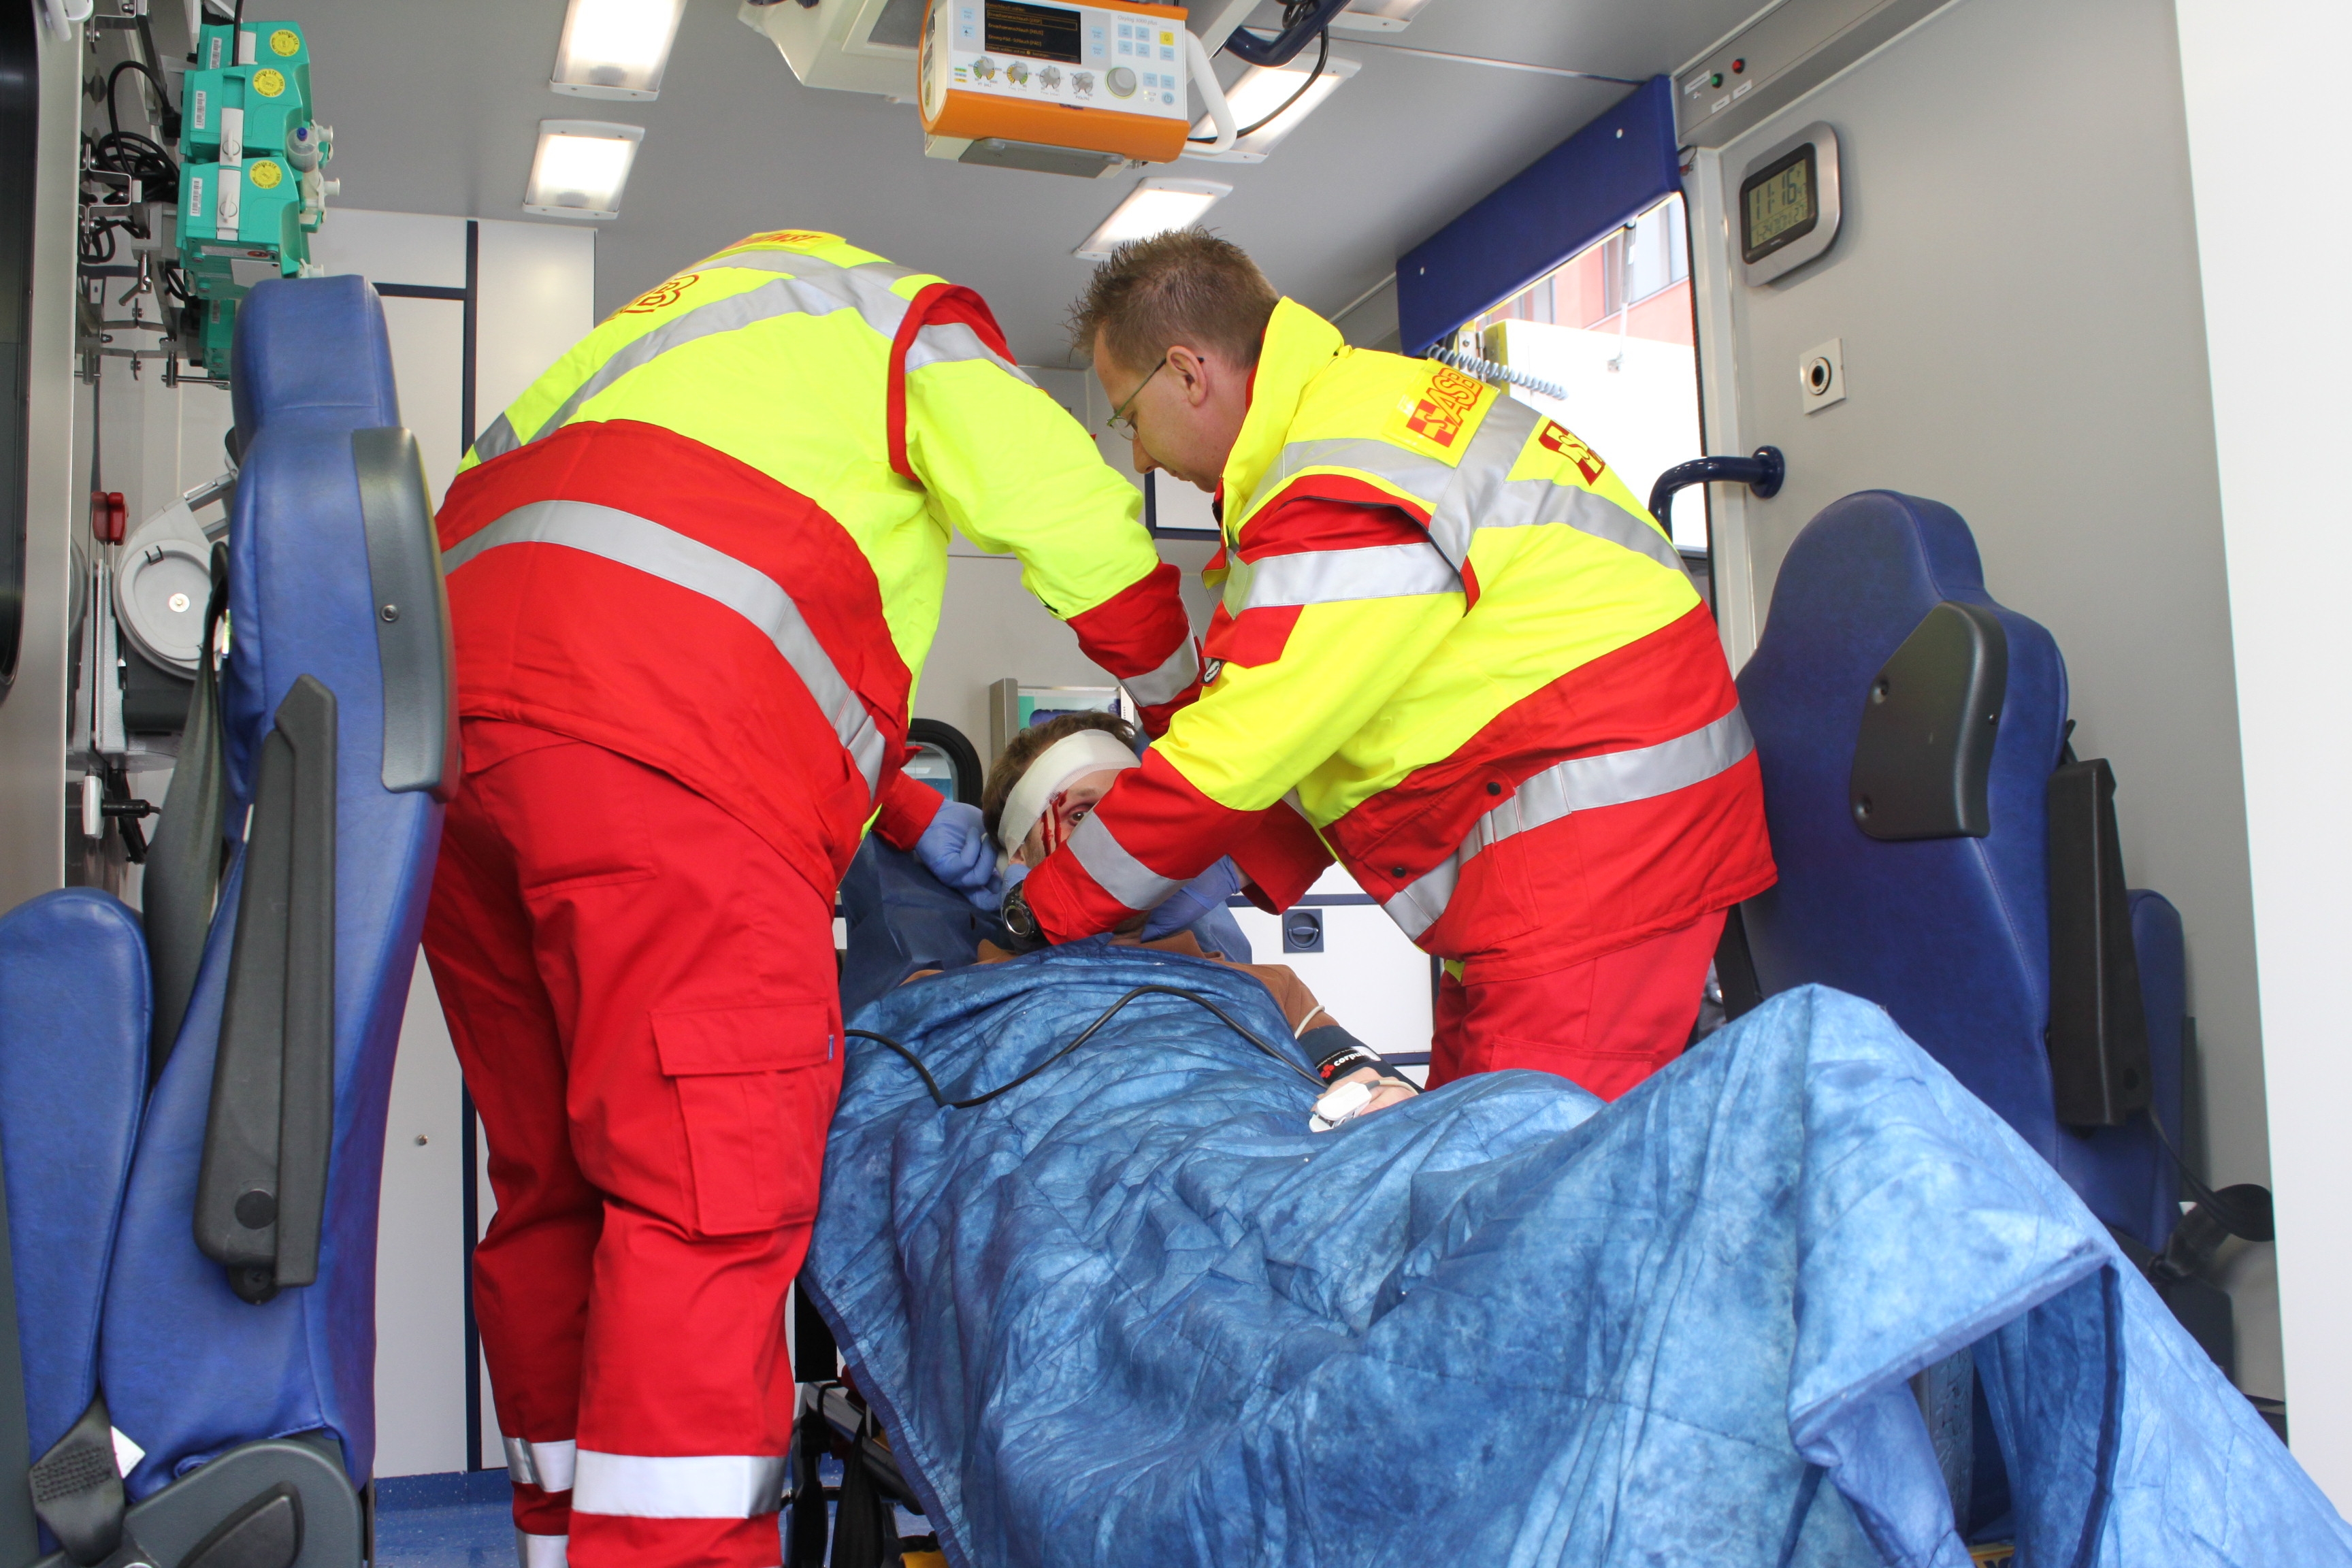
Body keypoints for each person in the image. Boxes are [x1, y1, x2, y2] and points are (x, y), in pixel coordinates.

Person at [421, 229, 1202, 1568]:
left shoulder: (621, 353)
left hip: (448, 757)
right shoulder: (911, 327)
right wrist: (1194, 713)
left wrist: (900, 808)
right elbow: (1078, 522)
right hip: (670, 755)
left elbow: (635, 602)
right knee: (701, 1201)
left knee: (554, 1187)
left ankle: (562, 1542)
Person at [1003, 229, 1776, 1104]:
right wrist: (1222, 866)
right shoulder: (1351, 430)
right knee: (1466, 1141)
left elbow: (1243, 748)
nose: (1137, 454)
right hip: (1556, 848)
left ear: (1188, 373)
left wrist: (1043, 912)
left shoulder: (1338, 479)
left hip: (1595, 851)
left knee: (1522, 1178)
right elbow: (1321, 734)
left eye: (1127, 418)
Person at [976, 710, 1416, 1127]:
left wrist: (1380, 1092)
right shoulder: (963, 996)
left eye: (1131, 818)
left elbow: (1359, 1075)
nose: (1113, 842)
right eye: (1080, 815)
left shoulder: (1267, 988)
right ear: (1018, 856)